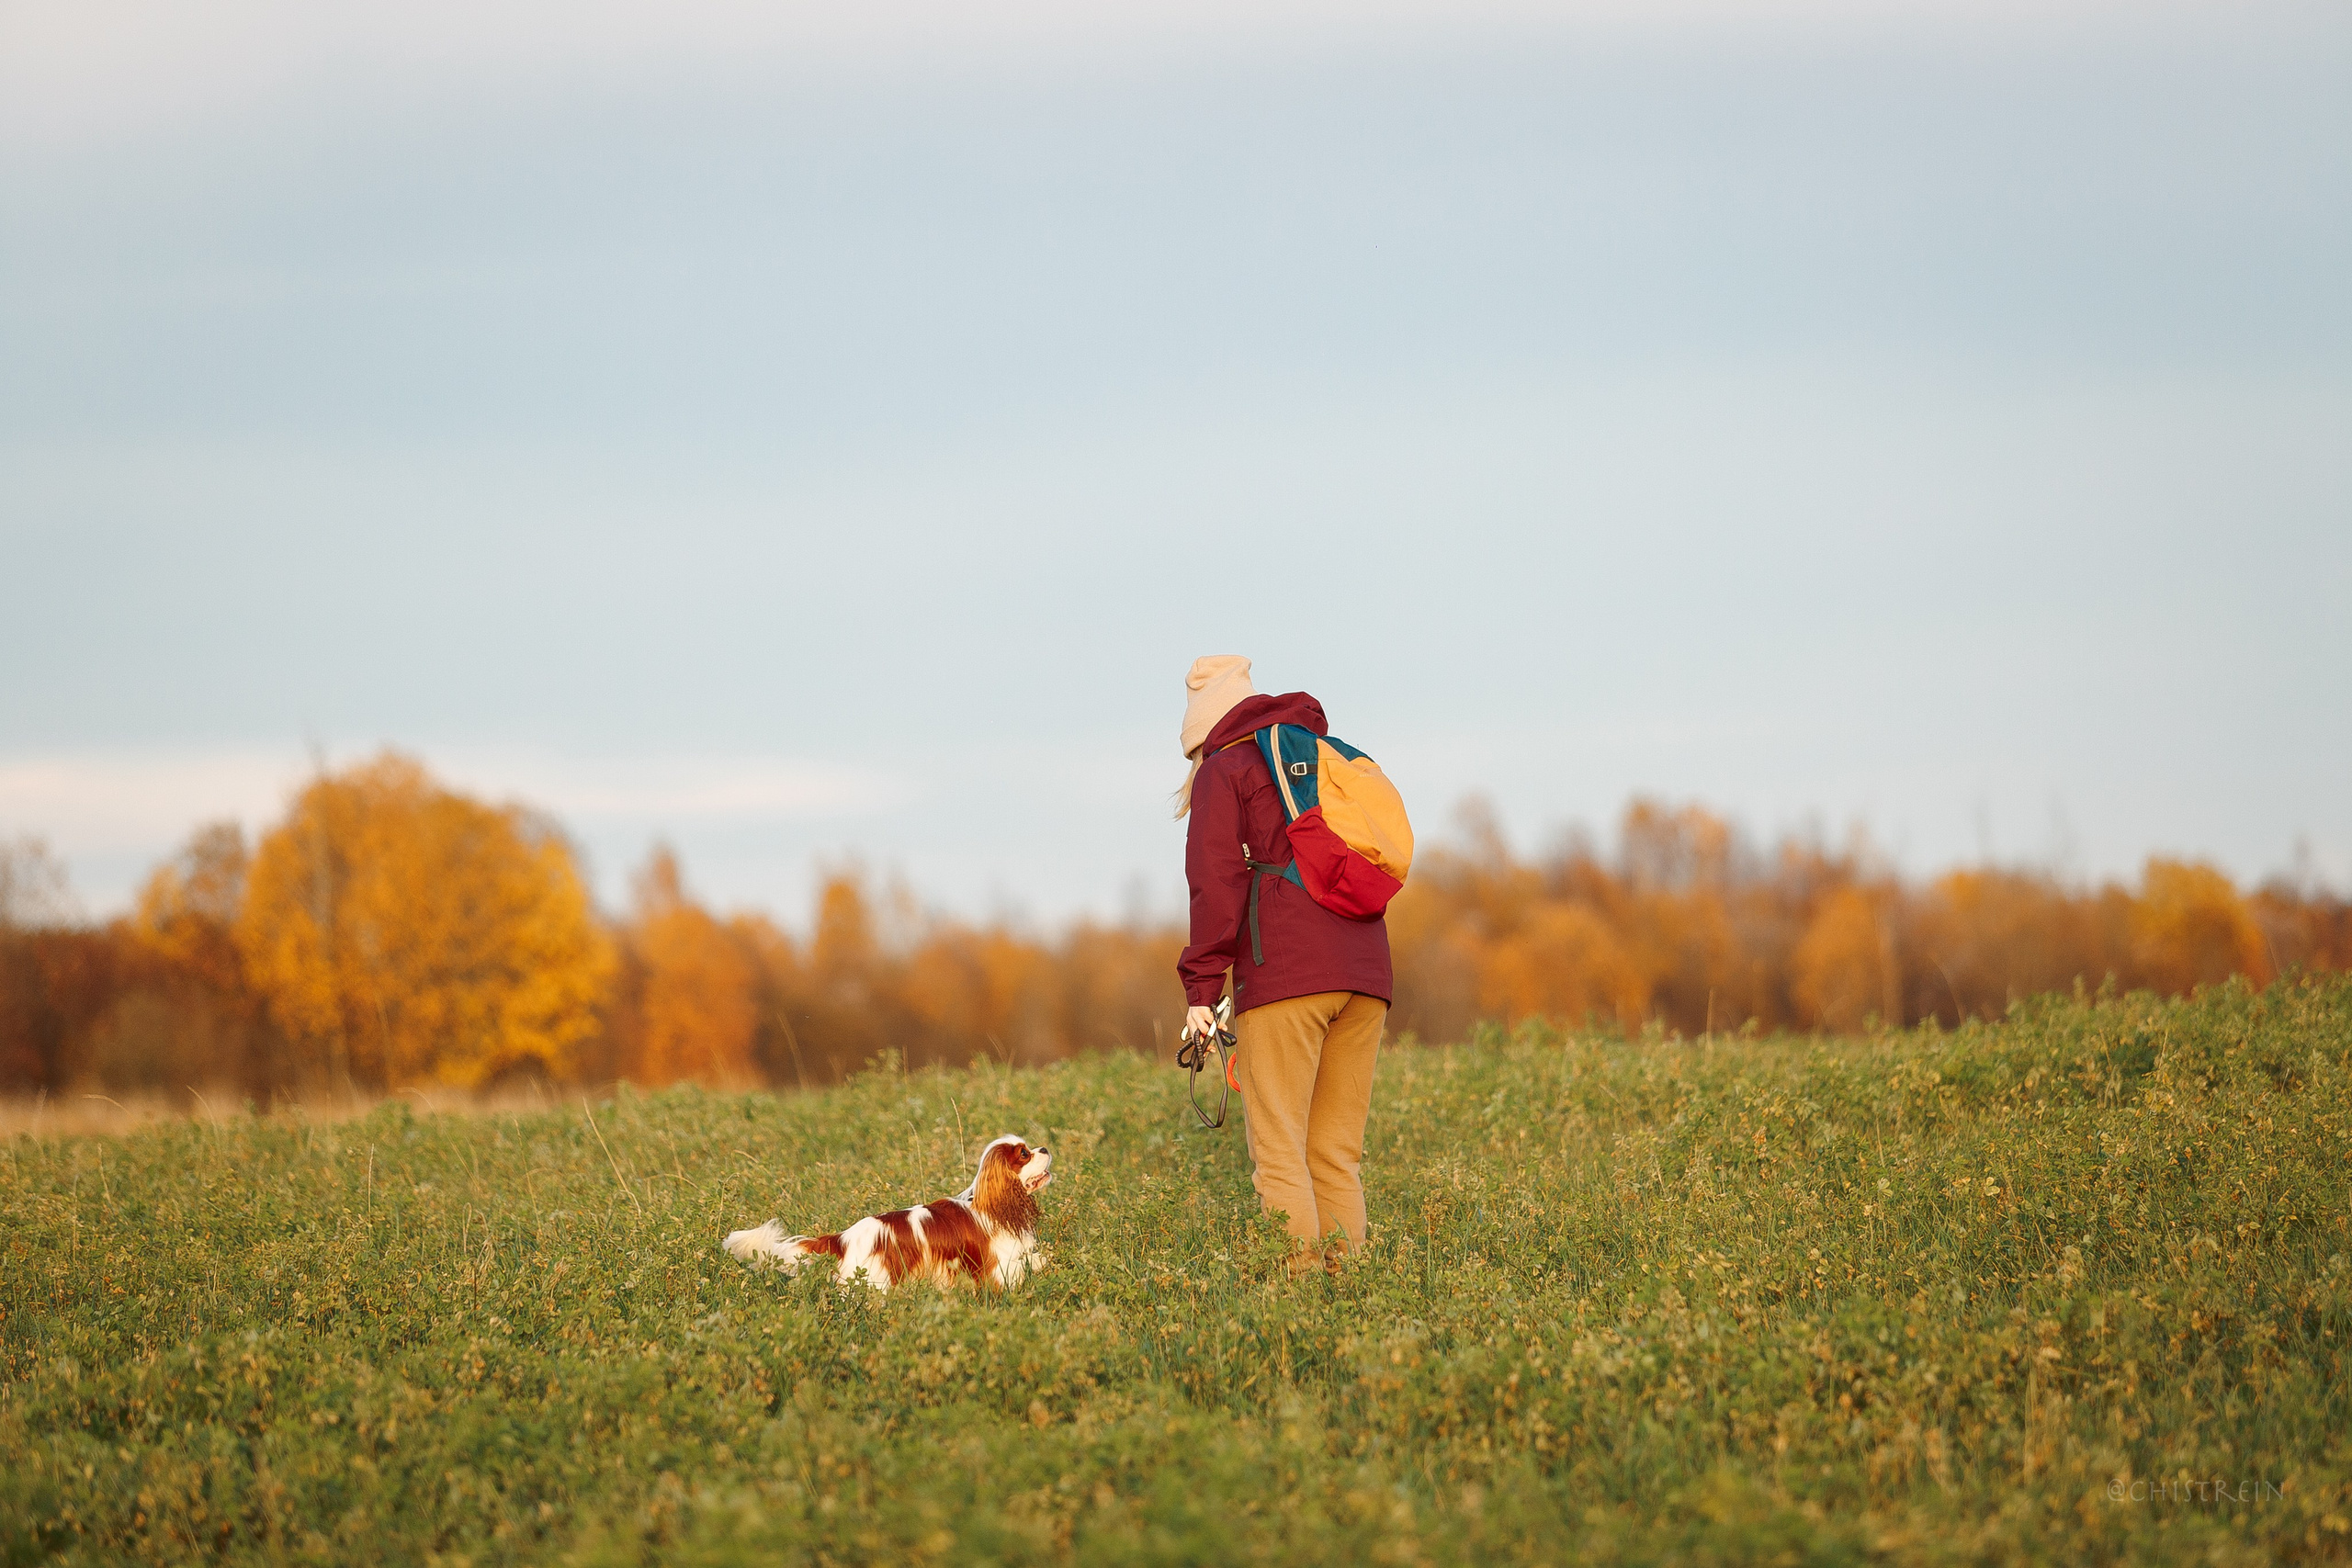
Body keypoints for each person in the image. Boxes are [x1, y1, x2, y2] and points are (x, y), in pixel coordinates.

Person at [1173, 655, 1391, 1269]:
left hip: (1288, 974)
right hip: (1368, 971)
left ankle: (1295, 1316)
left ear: (1202, 735)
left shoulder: (1227, 769)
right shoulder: (1320, 755)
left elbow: (1216, 881)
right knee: (1335, 1154)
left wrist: (1201, 988)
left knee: (1280, 1154)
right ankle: (1350, 1307)